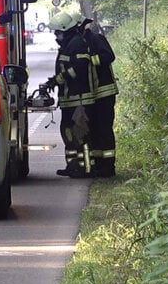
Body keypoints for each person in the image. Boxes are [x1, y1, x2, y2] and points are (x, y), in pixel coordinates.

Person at [46, 12, 93, 178]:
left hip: (78, 100)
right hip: (68, 100)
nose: (56, 36)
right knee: (68, 134)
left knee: (80, 136)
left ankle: (85, 168)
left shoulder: (77, 44)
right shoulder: (68, 44)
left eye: (57, 32)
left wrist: (58, 79)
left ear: (65, 30)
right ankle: (72, 166)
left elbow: (80, 66)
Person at [82, 21, 118, 177]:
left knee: (104, 131)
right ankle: (98, 166)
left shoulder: (97, 39)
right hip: (94, 96)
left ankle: (108, 167)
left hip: (105, 94)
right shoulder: (82, 42)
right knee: (95, 131)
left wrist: (89, 60)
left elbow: (109, 56)